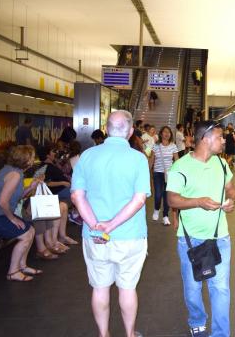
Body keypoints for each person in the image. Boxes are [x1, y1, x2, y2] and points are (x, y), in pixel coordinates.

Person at [71, 110, 151, 337]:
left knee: (100, 288)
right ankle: (129, 333)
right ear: (131, 131)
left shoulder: (87, 156)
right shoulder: (138, 159)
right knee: (127, 289)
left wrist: (97, 225)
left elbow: (77, 196)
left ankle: (104, 334)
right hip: (130, 235)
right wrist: (112, 224)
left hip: (95, 236)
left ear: (106, 129)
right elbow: (139, 199)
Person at [167, 120, 235, 337]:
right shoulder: (180, 167)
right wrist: (198, 202)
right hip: (191, 240)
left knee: (221, 289)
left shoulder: (222, 164)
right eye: (219, 137)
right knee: (193, 288)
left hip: (220, 238)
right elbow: (172, 200)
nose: (223, 140)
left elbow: (231, 189)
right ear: (205, 139)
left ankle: (220, 334)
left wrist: (231, 200)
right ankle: (197, 319)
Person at [0, 145, 42, 281]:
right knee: (25, 235)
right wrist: (12, 219)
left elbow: (16, 197)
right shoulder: (15, 175)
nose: (33, 160)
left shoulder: (13, 171)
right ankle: (13, 272)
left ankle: (22, 265)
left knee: (30, 230)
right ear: (27, 160)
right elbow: (2, 202)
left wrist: (30, 188)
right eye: (32, 157)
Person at [149, 126, 179, 226]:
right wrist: (147, 170)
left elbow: (176, 160)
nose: (167, 134)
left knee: (167, 196)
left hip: (169, 174)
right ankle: (156, 209)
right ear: (161, 134)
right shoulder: (156, 146)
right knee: (158, 194)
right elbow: (152, 159)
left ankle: (165, 216)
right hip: (157, 173)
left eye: (169, 132)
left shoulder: (173, 146)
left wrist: (177, 172)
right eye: (165, 132)